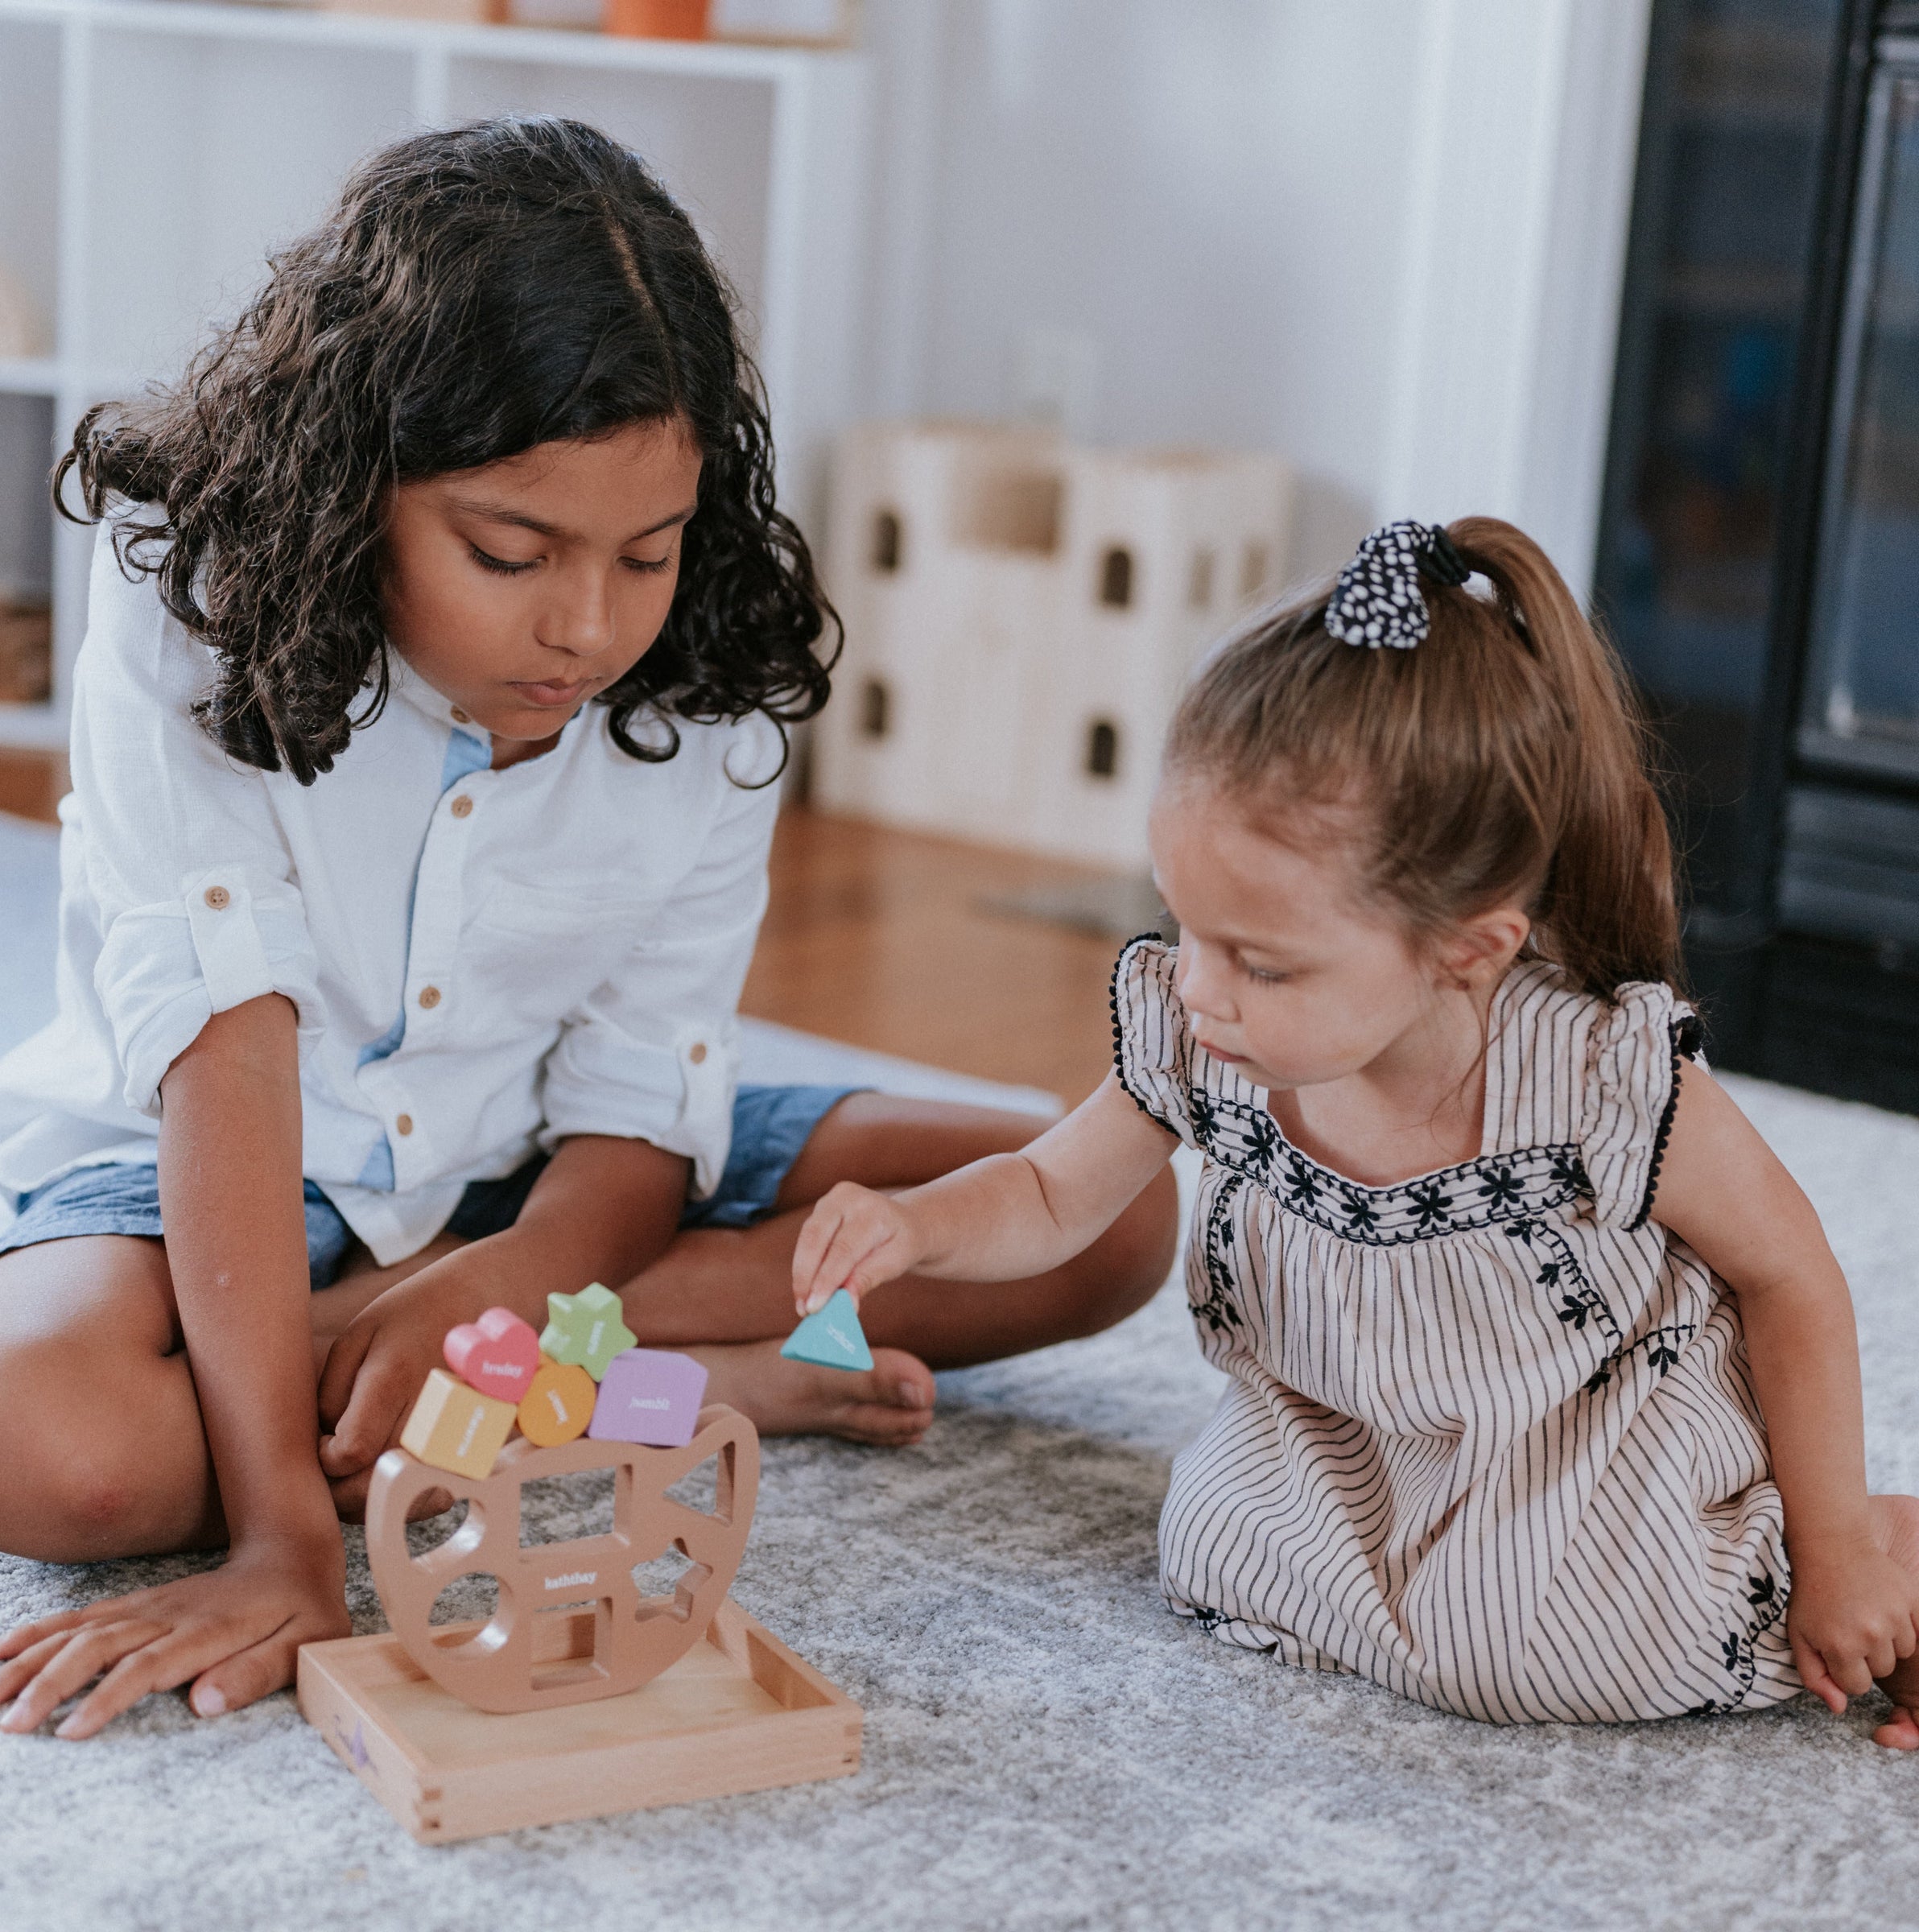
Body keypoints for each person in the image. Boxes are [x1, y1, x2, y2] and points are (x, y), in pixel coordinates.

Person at [0, 118, 1176, 1740]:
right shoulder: (190, 608)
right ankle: (594, 1384)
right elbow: (225, 1050)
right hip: (203, 1163)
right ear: (352, 481)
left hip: (540, 1174)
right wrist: (281, 1537)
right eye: (509, 552)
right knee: (52, 1446)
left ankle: (490, 1361)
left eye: (648, 552)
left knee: (1108, 1221)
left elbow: (640, 1101)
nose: (589, 626)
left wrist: (527, 1282)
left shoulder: (710, 688)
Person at [791, 516, 1919, 1748]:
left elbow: (1792, 1276)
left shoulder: (1597, 1075)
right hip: (1342, 1436)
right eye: (1182, 925)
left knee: (1533, 1650)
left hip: (1573, 1445)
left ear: (1466, 949)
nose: (1200, 988)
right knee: (1209, 1551)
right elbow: (1052, 1195)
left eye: (1262, 963)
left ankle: (1893, 1538)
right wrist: (914, 1225)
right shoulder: (1204, 1033)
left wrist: (1837, 1552)